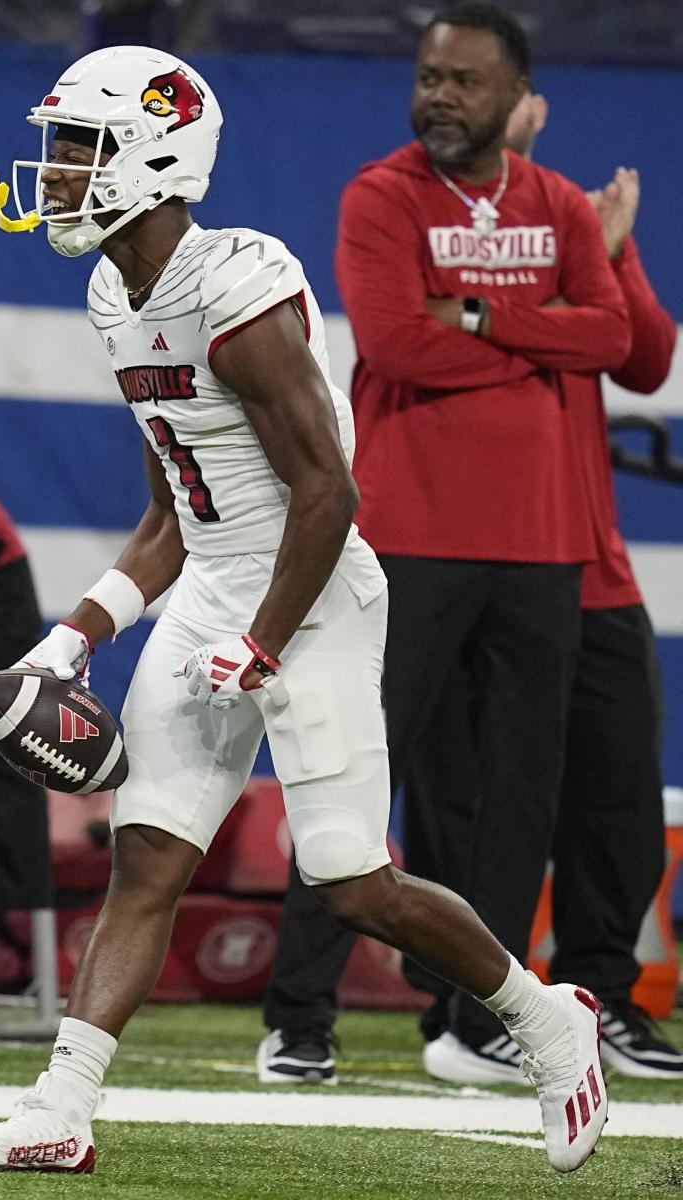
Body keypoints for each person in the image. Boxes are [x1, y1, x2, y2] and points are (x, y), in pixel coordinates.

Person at [0, 43, 607, 1176]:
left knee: (351, 881)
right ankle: (60, 1110)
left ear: (151, 158)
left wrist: (261, 644)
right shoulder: (114, 287)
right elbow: (171, 513)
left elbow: (327, 491)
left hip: (316, 588)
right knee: (148, 855)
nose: (51, 170)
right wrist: (74, 637)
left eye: (76, 147)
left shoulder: (233, 285)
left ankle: (548, 1024)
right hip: (213, 588)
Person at [257, 1, 633, 1086]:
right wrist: (532, 330)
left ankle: (481, 1025)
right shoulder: (380, 197)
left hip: (541, 546)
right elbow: (393, 344)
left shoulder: (560, 204)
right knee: (351, 779)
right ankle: (298, 1017)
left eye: (465, 80)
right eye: (429, 76)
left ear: (516, 100)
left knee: (521, 799)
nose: (439, 96)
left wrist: (472, 315)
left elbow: (607, 336)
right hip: (408, 538)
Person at [405, 92, 682, 1082]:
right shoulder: (419, 211)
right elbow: (431, 315)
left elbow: (642, 354)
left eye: (494, 85)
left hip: (590, 566)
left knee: (618, 799)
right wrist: (545, 312)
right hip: (477, 559)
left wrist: (613, 255)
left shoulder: (568, 220)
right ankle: (475, 1009)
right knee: (475, 803)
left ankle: (599, 1002)